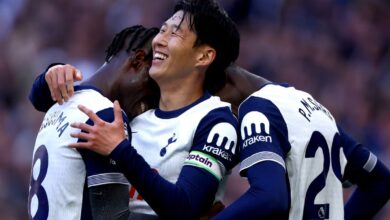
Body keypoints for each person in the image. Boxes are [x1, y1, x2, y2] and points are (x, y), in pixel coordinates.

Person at [30, 0, 240, 219]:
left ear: (203, 56)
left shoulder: (216, 121)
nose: (159, 41)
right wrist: (50, 76)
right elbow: (56, 102)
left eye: (175, 34)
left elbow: (184, 208)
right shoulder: (133, 113)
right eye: (162, 30)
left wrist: (121, 151)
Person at [211, 64, 390, 219]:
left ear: (229, 82)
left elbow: (269, 196)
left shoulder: (256, 109)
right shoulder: (311, 106)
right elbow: (380, 181)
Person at [28, 25, 159, 220]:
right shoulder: (105, 116)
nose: (146, 107)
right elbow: (112, 217)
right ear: (138, 61)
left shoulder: (58, 106)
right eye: (151, 92)